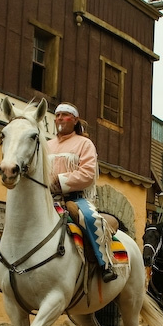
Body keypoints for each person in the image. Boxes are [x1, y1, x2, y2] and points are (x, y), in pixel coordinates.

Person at [47, 102, 118, 283]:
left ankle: (104, 263)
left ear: (75, 120)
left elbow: (88, 174)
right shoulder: (47, 145)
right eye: (57, 115)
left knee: (90, 219)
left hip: (75, 198)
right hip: (47, 197)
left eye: (65, 115)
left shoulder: (85, 144)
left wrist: (60, 181)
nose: (60, 118)